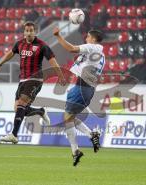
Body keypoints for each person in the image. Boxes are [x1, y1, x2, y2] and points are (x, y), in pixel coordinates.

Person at [0, 21, 65, 144]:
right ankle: (41, 111)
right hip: (22, 79)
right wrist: (0, 63)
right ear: (24, 32)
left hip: (35, 79)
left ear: (35, 32)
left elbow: (52, 60)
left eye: (31, 30)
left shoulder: (42, 45)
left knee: (21, 103)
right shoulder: (20, 44)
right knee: (18, 109)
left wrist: (60, 75)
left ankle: (14, 135)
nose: (28, 33)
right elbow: (10, 53)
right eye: (26, 31)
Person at [53, 27, 104, 166]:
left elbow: (71, 48)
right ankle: (88, 138)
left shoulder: (92, 47)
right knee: (70, 118)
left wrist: (58, 36)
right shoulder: (99, 52)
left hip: (82, 87)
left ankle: (76, 149)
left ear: (93, 39)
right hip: (87, 89)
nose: (86, 38)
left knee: (67, 119)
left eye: (88, 36)